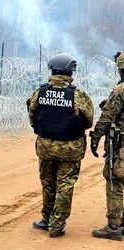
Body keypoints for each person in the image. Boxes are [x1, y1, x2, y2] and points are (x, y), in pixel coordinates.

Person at [27, 54, 94, 237]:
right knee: (65, 185)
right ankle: (56, 226)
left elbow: (32, 116)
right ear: (70, 71)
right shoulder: (78, 95)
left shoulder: (39, 92)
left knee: (48, 184)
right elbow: (88, 121)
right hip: (70, 148)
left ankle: (45, 219)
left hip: (46, 146)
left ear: (52, 70)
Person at [90, 51, 124, 241]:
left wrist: (95, 138)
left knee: (115, 181)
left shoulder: (121, 90)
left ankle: (113, 227)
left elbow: (107, 117)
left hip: (121, 145)